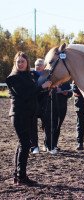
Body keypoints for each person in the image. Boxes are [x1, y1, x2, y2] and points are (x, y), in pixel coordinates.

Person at [6, 51, 52, 186]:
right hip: (19, 115)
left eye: (23, 61)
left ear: (27, 64)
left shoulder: (29, 75)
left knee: (22, 144)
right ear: (15, 63)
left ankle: (18, 176)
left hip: (29, 114)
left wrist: (46, 89)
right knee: (25, 144)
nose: (20, 64)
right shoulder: (13, 78)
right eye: (18, 61)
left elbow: (34, 94)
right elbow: (25, 94)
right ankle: (21, 176)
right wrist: (41, 87)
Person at [43, 81, 73, 154]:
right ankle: (47, 144)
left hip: (62, 106)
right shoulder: (50, 81)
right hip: (51, 106)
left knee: (58, 126)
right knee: (50, 125)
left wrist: (66, 93)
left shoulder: (65, 82)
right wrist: (56, 91)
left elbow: (70, 93)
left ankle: (54, 144)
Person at [30, 58, 47, 154]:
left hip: (45, 104)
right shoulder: (30, 75)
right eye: (37, 64)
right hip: (33, 104)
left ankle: (47, 144)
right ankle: (34, 146)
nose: (38, 66)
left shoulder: (48, 75)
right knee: (32, 126)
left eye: (40, 64)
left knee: (46, 125)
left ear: (44, 66)